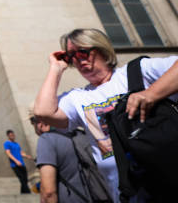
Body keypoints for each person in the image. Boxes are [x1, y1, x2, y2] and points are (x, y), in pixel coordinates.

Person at [34, 28, 178, 201]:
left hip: (168, 176)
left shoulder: (137, 71)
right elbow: (43, 112)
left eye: (82, 52)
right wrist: (56, 68)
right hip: (127, 192)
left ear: (101, 49)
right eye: (71, 57)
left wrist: (151, 93)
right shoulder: (79, 97)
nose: (78, 61)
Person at [32, 114, 89, 203]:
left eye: (33, 122)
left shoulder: (46, 139)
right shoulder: (82, 134)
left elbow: (49, 192)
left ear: (40, 124)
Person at [3, 129, 32, 194]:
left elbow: (21, 153)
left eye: (13, 135)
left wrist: (27, 156)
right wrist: (16, 161)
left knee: (25, 179)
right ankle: (28, 192)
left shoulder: (17, 144)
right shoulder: (7, 143)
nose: (12, 136)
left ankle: (22, 193)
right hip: (15, 165)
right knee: (22, 179)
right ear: (8, 136)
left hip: (21, 163)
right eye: (11, 135)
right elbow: (8, 154)